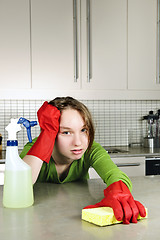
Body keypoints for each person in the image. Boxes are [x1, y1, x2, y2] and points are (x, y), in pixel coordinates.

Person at [20, 96, 146, 224]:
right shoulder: (34, 149)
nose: (78, 142)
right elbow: (19, 185)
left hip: (79, 216)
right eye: (66, 132)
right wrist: (46, 136)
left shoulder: (91, 149)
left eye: (83, 130)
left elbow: (114, 174)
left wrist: (119, 190)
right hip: (37, 219)